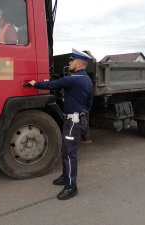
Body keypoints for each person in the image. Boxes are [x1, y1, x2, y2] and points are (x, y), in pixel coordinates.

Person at [29, 49, 93, 200]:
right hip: (75, 120)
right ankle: (65, 176)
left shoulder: (74, 79)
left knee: (70, 154)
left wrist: (34, 84)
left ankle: (71, 186)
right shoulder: (86, 79)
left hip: (74, 122)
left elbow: (53, 84)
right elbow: (89, 102)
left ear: (78, 63)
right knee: (66, 151)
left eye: (71, 61)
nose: (69, 63)